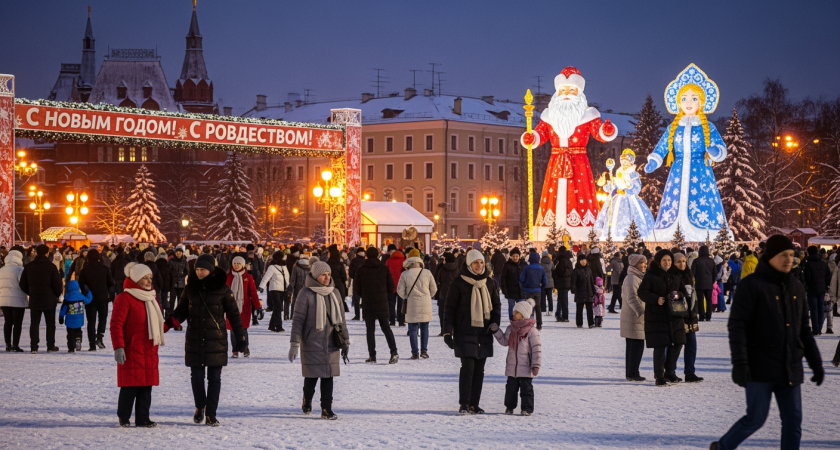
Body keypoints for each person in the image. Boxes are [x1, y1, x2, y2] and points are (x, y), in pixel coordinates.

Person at [712, 235, 824, 450]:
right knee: (755, 419)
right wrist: (740, 363)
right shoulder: (751, 285)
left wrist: (816, 363)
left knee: (793, 423)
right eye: (783, 255)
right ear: (771, 257)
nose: (789, 260)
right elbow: (737, 327)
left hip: (790, 366)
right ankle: (722, 447)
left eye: (791, 255)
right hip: (759, 366)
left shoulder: (796, 287)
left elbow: (804, 330)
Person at [170, 254, 248, 427]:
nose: (199, 273)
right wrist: (170, 322)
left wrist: (241, 338)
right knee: (196, 377)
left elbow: (234, 315)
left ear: (211, 270)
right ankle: (200, 406)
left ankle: (211, 414)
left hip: (216, 340)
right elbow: (181, 310)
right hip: (195, 338)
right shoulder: (190, 288)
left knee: (215, 378)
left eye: (203, 269)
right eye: (197, 269)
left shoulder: (223, 288)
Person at [111, 262, 171, 428]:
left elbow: (158, 325)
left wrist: (171, 323)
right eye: (145, 278)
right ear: (136, 279)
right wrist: (118, 346)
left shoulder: (151, 297)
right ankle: (124, 417)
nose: (149, 281)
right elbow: (116, 324)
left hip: (149, 349)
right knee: (130, 387)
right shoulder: (124, 298)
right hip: (132, 348)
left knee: (146, 387)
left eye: (150, 277)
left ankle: (143, 418)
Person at [442, 249, 502, 415]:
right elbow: (449, 309)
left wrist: (495, 322)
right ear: (469, 264)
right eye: (475, 262)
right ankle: (464, 403)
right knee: (467, 367)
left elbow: (496, 305)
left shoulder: (489, 282)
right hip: (464, 331)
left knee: (479, 370)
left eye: (481, 262)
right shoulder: (458, 283)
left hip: (484, 332)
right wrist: (447, 332)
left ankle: (474, 404)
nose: (479, 265)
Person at [289, 261, 349, 420]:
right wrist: (294, 343)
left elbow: (341, 320)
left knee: (328, 376)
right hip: (311, 341)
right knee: (311, 376)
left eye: (328, 274)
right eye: (323, 274)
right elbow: (298, 320)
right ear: (316, 276)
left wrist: (346, 341)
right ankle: (307, 399)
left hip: (331, 342)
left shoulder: (334, 292)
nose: (327, 277)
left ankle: (326, 409)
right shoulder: (305, 293)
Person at [638, 249, 686, 386]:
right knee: (660, 346)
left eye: (669, 260)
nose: (667, 262)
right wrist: (655, 299)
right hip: (657, 316)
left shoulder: (676, 275)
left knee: (678, 343)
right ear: (659, 261)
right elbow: (642, 292)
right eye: (664, 260)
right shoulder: (651, 276)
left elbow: (683, 292)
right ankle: (659, 376)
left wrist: (678, 296)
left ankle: (670, 372)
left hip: (675, 315)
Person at [491, 299, 542, 416]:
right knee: (510, 389)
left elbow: (536, 349)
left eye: (517, 313)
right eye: (514, 312)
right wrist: (496, 331)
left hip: (526, 367)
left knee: (526, 390)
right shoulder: (511, 328)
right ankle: (509, 407)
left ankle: (527, 408)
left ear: (523, 315)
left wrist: (536, 365)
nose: (514, 314)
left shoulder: (531, 331)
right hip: (512, 366)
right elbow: (505, 341)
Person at [354, 247, 398, 364]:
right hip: (382, 302)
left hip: (368, 303)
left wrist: (364, 294)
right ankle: (394, 351)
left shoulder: (361, 269)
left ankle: (372, 355)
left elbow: (356, 288)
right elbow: (391, 286)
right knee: (386, 328)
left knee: (370, 330)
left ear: (366, 256)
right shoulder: (384, 268)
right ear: (378, 255)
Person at [19, 244, 63, 353]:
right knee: (50, 323)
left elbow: (22, 284)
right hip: (49, 298)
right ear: (47, 253)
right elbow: (57, 284)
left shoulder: (29, 266)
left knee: (34, 323)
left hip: (35, 298)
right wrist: (57, 295)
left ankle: (34, 346)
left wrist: (31, 292)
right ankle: (50, 345)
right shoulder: (51, 266)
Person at [397, 250, 437, 360]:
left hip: (411, 303)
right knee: (425, 327)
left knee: (413, 328)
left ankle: (415, 353)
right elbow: (434, 289)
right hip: (425, 303)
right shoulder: (427, 272)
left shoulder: (405, 274)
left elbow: (400, 290)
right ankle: (424, 350)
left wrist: (406, 296)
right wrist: (428, 296)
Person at [674, 252, 703, 382]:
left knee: (691, 345)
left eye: (684, 261)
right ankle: (669, 371)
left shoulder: (689, 275)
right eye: (678, 261)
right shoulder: (672, 276)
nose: (682, 264)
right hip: (679, 317)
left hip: (691, 316)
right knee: (676, 346)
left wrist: (695, 312)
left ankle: (690, 372)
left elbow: (693, 296)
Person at [78, 249, 115, 351]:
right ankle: (99, 337)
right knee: (102, 318)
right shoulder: (105, 268)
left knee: (91, 321)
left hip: (90, 298)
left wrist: (86, 291)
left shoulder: (84, 270)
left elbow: (81, 283)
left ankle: (91, 344)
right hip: (102, 297)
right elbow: (111, 283)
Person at [226, 256, 261, 358]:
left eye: (238, 264)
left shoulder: (248, 277)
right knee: (232, 330)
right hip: (230, 307)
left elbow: (253, 293)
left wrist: (257, 307)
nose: (236, 266)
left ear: (242, 265)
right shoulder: (228, 277)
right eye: (234, 263)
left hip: (244, 307)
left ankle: (245, 347)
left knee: (243, 329)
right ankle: (235, 350)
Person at [620, 254, 648, 381]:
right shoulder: (632, 278)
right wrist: (641, 312)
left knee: (633, 346)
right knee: (636, 345)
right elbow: (631, 298)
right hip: (634, 318)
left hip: (633, 317)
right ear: (634, 265)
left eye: (645, 263)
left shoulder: (636, 277)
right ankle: (633, 373)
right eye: (641, 263)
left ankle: (631, 372)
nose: (644, 265)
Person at [1, 250, 28, 352]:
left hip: (4, 299)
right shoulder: (20, 270)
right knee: (17, 323)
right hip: (18, 300)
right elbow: (23, 284)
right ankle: (15, 345)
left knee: (8, 322)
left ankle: (8, 344)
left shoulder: (2, 270)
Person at [802, 245, 831, 335]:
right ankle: (819, 328)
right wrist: (825, 285)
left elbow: (807, 278)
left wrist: (808, 285)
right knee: (820, 309)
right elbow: (828, 276)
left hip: (812, 289)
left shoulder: (808, 264)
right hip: (822, 289)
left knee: (813, 309)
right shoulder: (823, 263)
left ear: (809, 253)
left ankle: (815, 329)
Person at [261, 251, 291, 332]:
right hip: (274, 289)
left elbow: (287, 278)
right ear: (279, 257)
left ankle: (271, 326)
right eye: (283, 256)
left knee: (277, 308)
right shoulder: (272, 267)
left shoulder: (284, 266)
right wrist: (262, 286)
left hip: (283, 289)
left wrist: (289, 287)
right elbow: (266, 277)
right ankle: (278, 327)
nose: (285, 257)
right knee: (278, 307)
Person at [59, 280, 92, 353]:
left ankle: (71, 348)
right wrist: (89, 291)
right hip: (79, 319)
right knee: (78, 330)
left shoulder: (67, 298)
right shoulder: (81, 297)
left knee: (70, 334)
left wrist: (61, 317)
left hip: (70, 320)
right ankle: (78, 338)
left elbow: (63, 309)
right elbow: (88, 300)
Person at [519, 252, 547, 330]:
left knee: (528, 308)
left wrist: (523, 287)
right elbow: (545, 281)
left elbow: (521, 279)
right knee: (538, 307)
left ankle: (529, 323)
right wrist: (541, 288)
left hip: (528, 290)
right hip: (537, 290)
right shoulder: (541, 268)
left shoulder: (526, 268)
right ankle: (539, 324)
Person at [435, 252, 459, 336]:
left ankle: (444, 330)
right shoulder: (457, 269)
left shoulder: (442, 269)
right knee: (455, 312)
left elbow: (437, 280)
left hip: (443, 293)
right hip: (455, 293)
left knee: (442, 313)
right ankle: (454, 329)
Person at [570, 254, 595, 328]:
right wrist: (573, 289)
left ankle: (591, 323)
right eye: (582, 260)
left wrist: (593, 290)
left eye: (584, 260)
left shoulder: (589, 269)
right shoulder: (576, 270)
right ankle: (579, 323)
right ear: (578, 261)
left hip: (588, 291)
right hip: (580, 291)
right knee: (579, 309)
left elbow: (591, 281)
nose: (583, 262)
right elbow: (573, 281)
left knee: (589, 309)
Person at [691, 245, 716, 321]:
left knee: (700, 300)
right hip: (709, 283)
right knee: (709, 300)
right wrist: (712, 281)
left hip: (699, 283)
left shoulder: (696, 261)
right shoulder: (711, 260)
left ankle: (702, 315)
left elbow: (692, 272)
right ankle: (708, 316)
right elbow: (715, 272)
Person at [500, 248, 525, 321]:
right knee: (511, 307)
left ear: (519, 256)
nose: (515, 258)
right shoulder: (507, 265)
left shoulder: (523, 264)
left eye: (516, 256)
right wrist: (504, 290)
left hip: (521, 291)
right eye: (513, 256)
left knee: (521, 308)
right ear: (511, 257)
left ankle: (520, 322)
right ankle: (512, 321)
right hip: (511, 291)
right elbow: (503, 278)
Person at [385, 249, 406, 326]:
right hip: (401, 285)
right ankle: (401, 321)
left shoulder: (388, 261)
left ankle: (392, 320)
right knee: (401, 304)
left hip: (391, 285)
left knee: (391, 304)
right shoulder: (404, 261)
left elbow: (386, 271)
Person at [552, 246, 573, 322]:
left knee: (562, 300)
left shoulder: (561, 261)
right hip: (567, 282)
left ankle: (564, 316)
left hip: (561, 282)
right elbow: (571, 272)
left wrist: (554, 272)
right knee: (562, 299)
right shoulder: (569, 261)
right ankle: (559, 314)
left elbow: (559, 271)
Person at [348, 248, 366, 320]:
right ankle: (365, 315)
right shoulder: (366, 261)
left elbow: (350, 273)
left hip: (356, 282)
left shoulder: (354, 261)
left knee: (356, 299)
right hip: (365, 282)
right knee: (365, 299)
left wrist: (355, 277)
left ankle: (357, 315)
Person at [539, 250, 554, 316]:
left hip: (543, 282)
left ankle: (543, 309)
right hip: (550, 282)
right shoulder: (551, 264)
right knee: (550, 297)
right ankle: (550, 310)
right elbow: (553, 271)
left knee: (543, 297)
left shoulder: (540, 264)